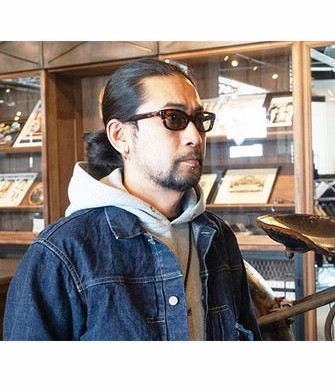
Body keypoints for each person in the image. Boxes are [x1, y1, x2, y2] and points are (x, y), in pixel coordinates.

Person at [3, 58, 261, 341]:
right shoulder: (62, 251)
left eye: (199, 120)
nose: (195, 137)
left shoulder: (217, 236)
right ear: (120, 136)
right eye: (173, 118)